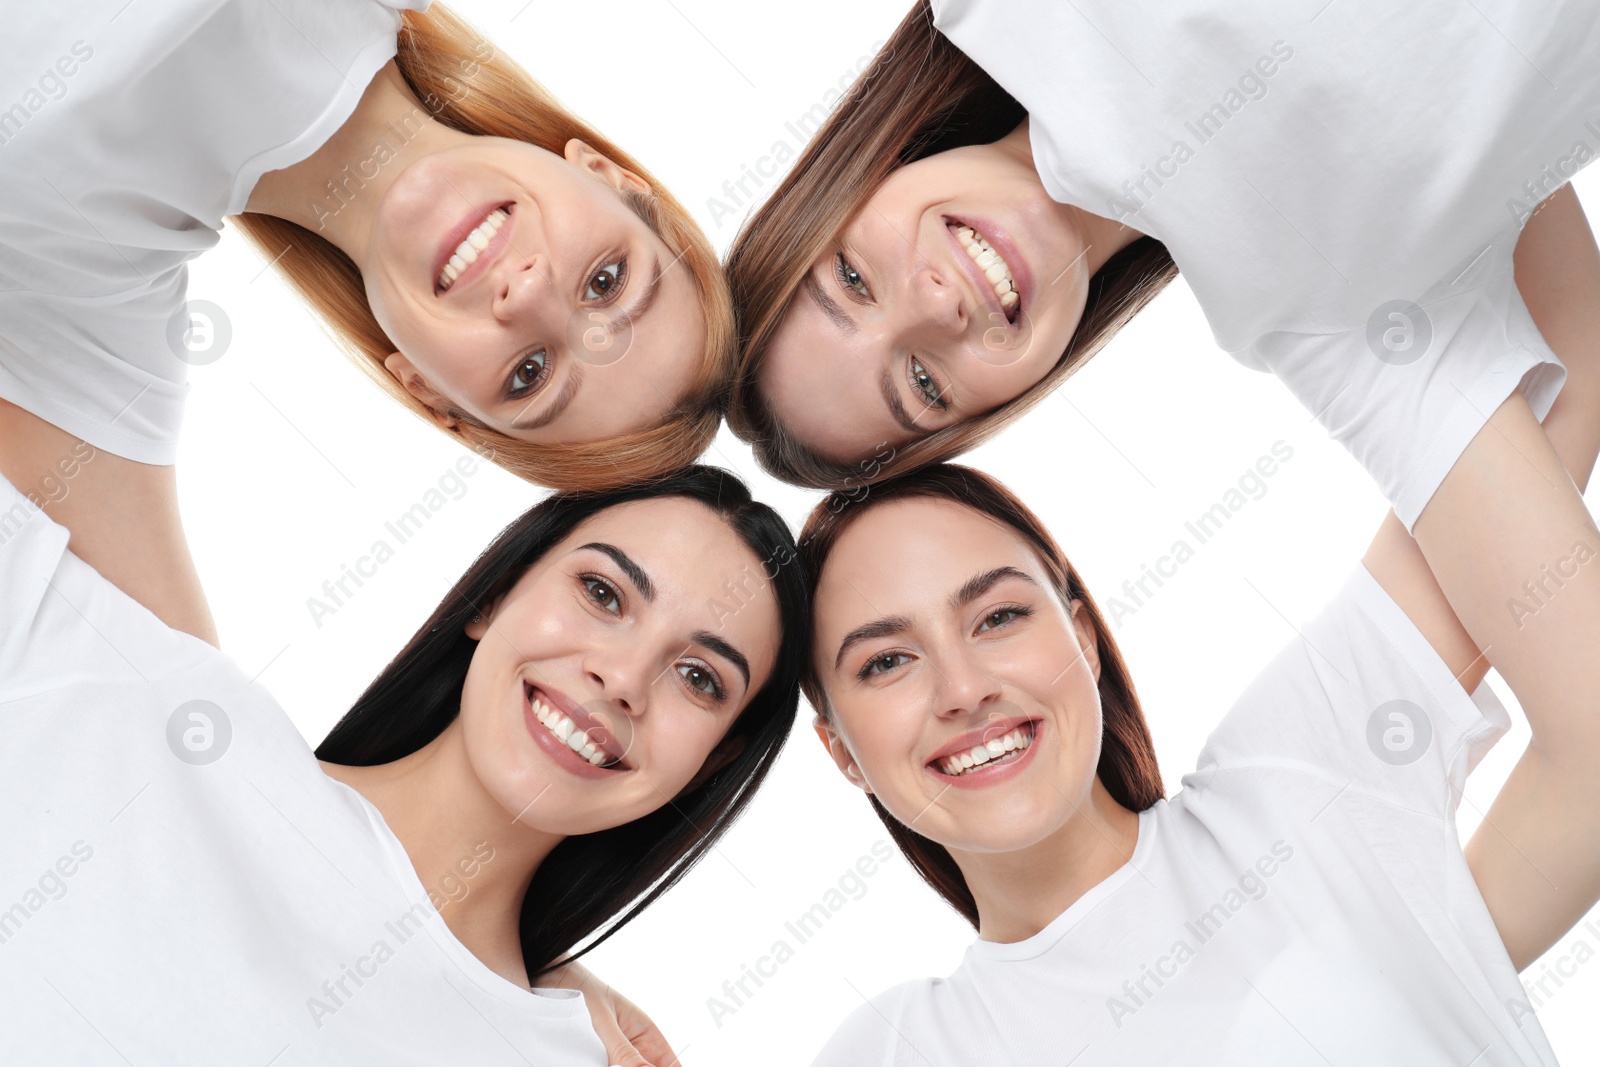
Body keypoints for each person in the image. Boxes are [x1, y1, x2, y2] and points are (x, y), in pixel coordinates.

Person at [797, 451, 1598, 1063]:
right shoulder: (902, 1048)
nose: (964, 688)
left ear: (1082, 636)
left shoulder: (1292, 778)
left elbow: (1530, 394)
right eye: (886, 662)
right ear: (843, 752)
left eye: (998, 615)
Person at [0, 461, 807, 1065]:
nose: (624, 679)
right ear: (494, 597)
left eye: (700, 678)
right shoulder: (152, 705)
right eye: (602, 593)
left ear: (711, 763)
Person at [0, 0, 734, 637]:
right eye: (607, 281)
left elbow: (170, 704)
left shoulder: (94, 269)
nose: (531, 297)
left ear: (426, 390)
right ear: (608, 176)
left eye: (531, 374)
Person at [726, 0, 1599, 518]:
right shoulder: (1300, 308)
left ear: (843, 188)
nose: (935, 309)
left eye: (850, 280)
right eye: (921, 383)